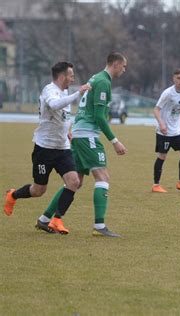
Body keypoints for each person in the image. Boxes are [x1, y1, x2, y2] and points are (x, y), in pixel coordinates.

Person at [39, 52, 128, 237]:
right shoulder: (103, 81)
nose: (124, 70)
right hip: (87, 135)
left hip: (79, 133)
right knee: (103, 177)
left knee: (75, 182)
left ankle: (45, 219)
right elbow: (98, 116)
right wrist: (115, 141)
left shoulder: (95, 77)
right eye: (123, 66)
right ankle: (99, 226)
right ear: (116, 64)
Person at [3, 62, 90, 234]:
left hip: (63, 148)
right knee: (38, 190)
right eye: (71, 75)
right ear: (62, 76)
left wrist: (68, 132)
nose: (72, 79)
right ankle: (13, 195)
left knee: (74, 181)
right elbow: (56, 105)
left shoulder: (64, 92)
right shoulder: (49, 91)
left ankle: (56, 219)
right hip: (44, 149)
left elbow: (64, 116)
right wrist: (78, 92)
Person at [152, 68, 180, 193]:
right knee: (162, 156)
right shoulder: (168, 93)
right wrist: (162, 124)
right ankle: (156, 185)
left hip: (177, 131)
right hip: (164, 132)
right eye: (178, 78)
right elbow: (156, 110)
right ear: (173, 79)